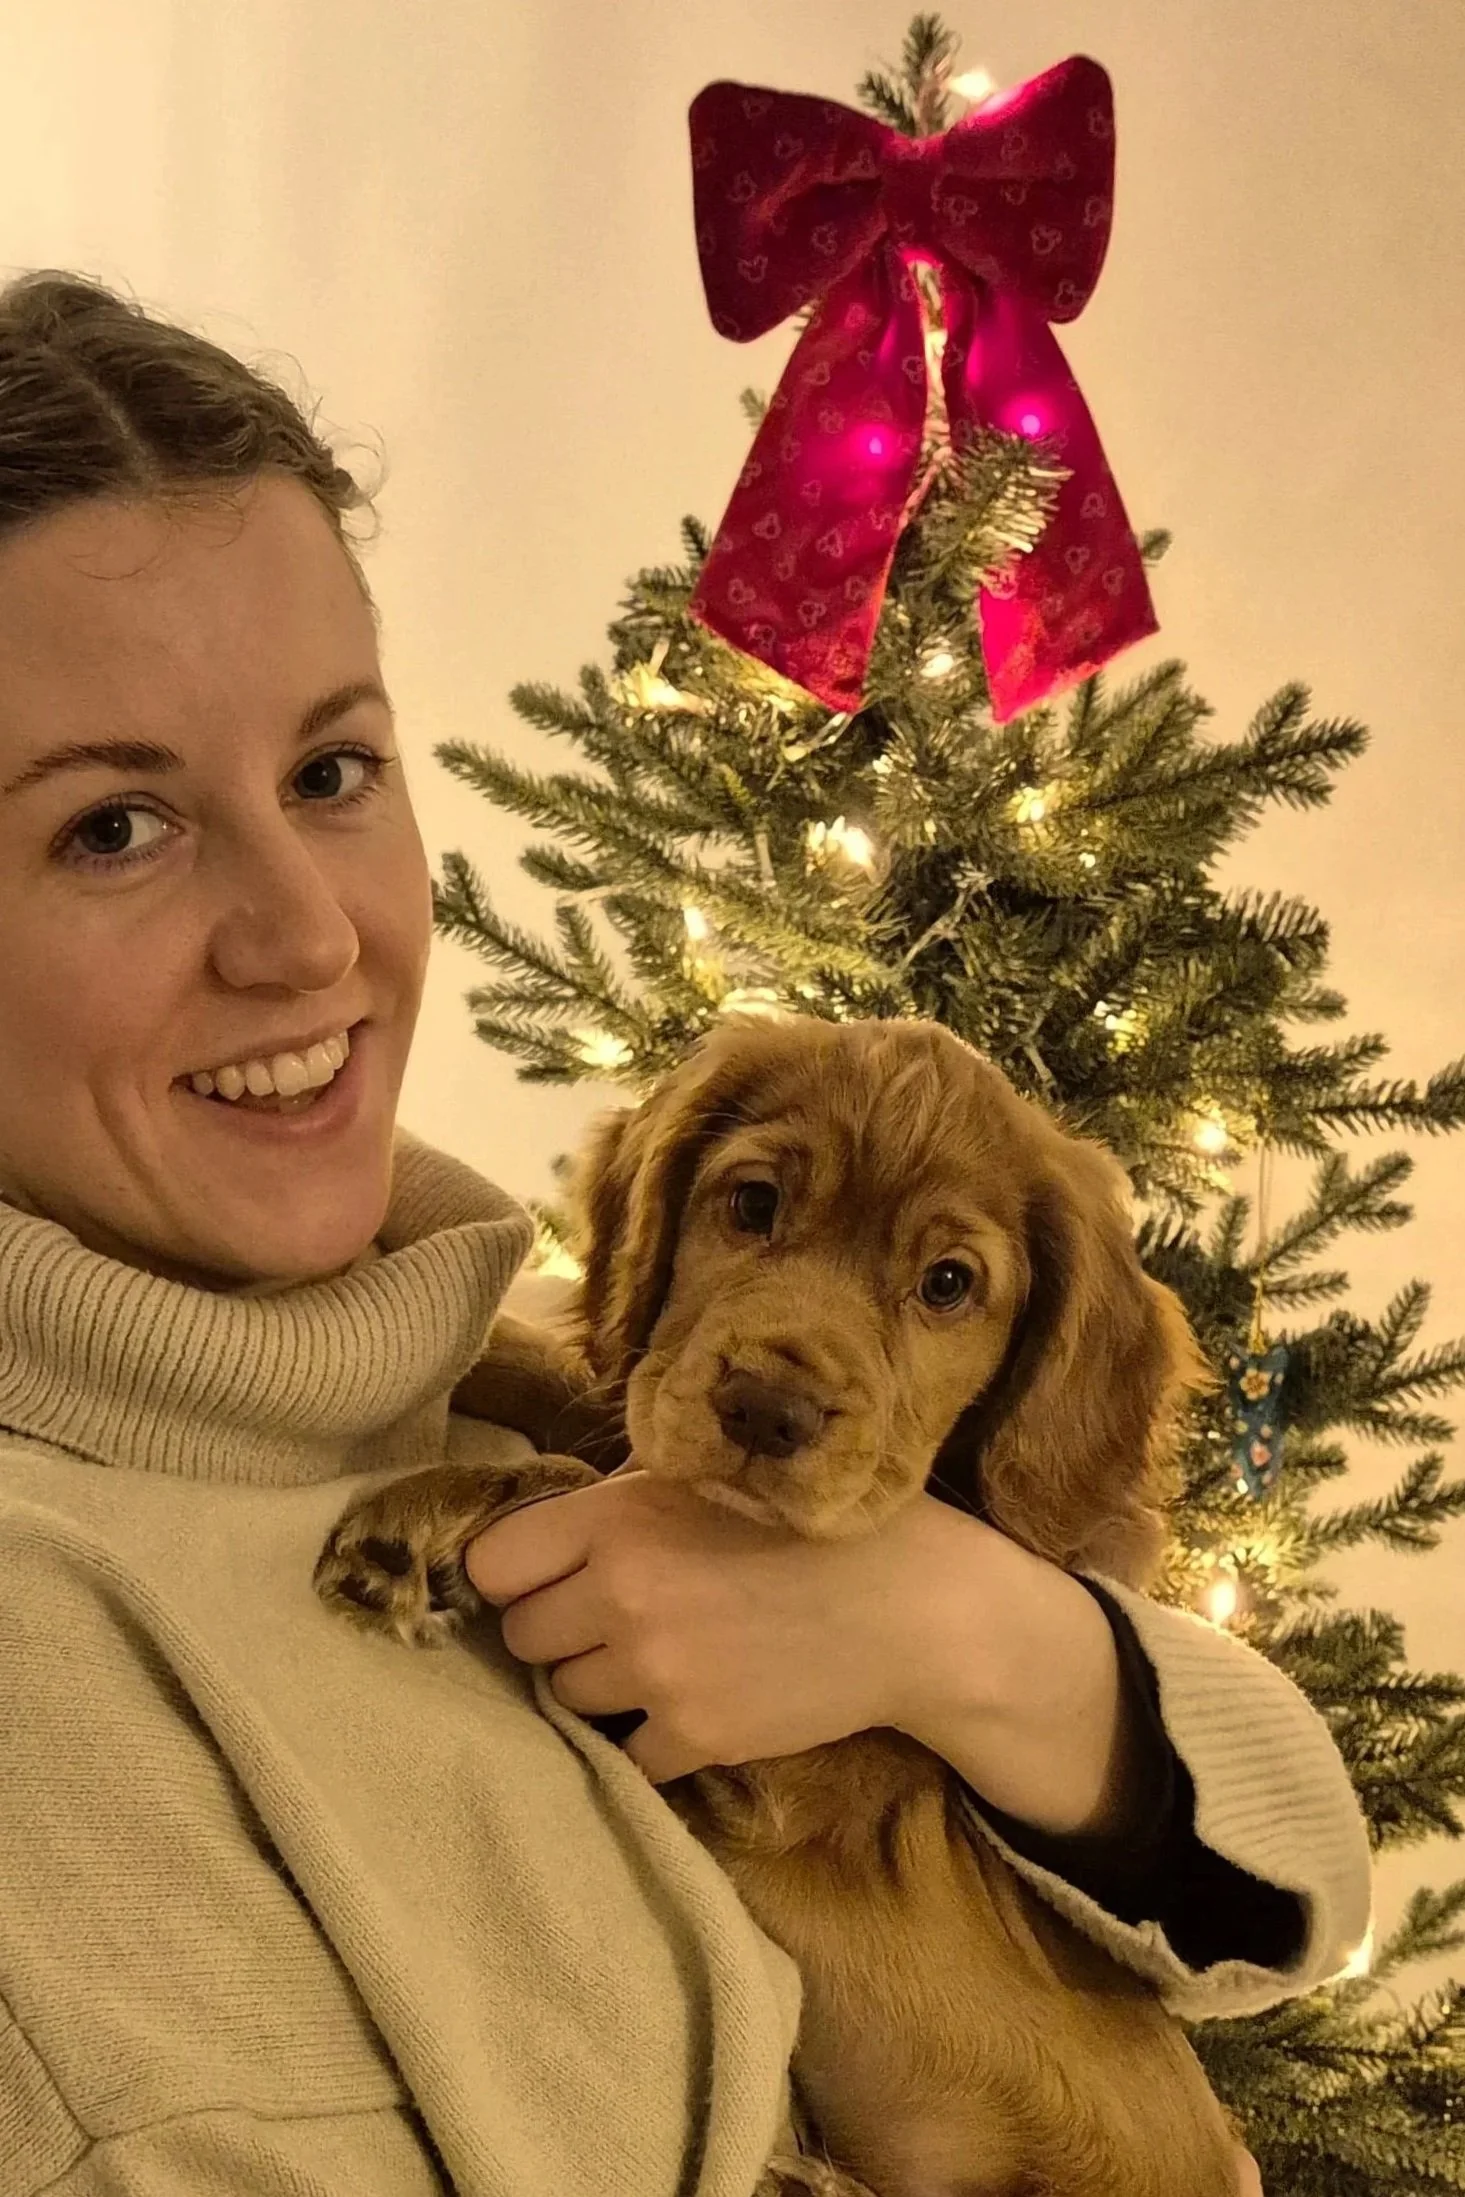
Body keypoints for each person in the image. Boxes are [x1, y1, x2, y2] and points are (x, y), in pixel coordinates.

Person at [0, 269, 1364, 2197]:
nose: (307, 939)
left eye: (332, 772)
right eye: (112, 828)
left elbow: (1299, 1889)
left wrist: (963, 1627)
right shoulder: (47, 1657)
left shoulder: (474, 1343)